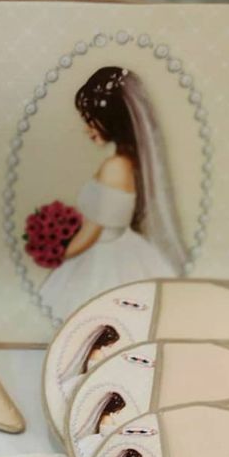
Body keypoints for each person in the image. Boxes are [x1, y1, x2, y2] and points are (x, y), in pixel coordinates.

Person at [38, 67, 186, 319]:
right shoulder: (130, 163)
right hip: (120, 248)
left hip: (105, 257)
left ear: (112, 120)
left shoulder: (115, 167)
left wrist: (54, 253)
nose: (87, 128)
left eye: (91, 120)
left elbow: (92, 231)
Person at [76, 392, 131, 457]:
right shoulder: (107, 417)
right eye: (120, 409)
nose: (119, 411)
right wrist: (118, 432)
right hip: (100, 440)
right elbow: (105, 432)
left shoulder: (106, 416)